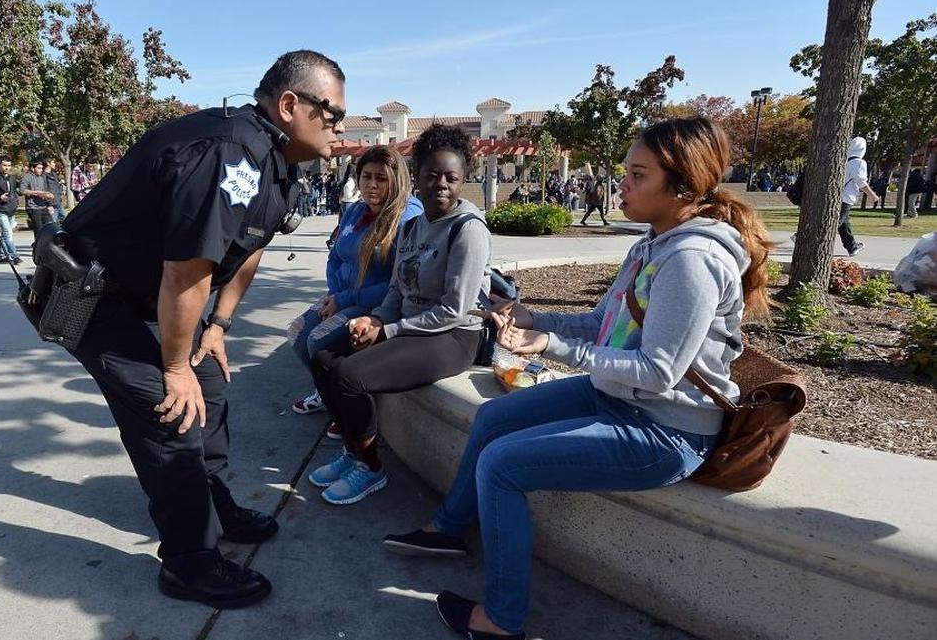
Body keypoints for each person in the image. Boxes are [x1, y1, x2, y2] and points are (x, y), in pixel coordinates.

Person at [383, 116, 774, 640]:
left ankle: (499, 621)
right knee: (495, 417)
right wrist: (532, 317)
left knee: (502, 466)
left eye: (638, 175)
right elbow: (601, 325)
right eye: (626, 172)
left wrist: (555, 346)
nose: (622, 186)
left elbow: (659, 372)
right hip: (617, 399)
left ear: (680, 185)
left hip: (665, 430)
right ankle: (448, 530)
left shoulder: (692, 259)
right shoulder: (652, 245)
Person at [58, 50, 346, 608]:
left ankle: (213, 506)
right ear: (290, 105)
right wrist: (171, 366)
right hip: (93, 298)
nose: (337, 127)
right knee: (171, 414)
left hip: (151, 295)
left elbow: (248, 249)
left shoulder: (279, 162)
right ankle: (188, 562)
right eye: (331, 114)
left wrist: (217, 326)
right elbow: (187, 267)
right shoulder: (231, 152)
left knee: (208, 385)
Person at [307, 123, 491, 505]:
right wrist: (375, 319)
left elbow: (455, 309)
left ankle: (370, 467)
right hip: (408, 326)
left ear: (462, 181)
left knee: (350, 376)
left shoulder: (468, 230)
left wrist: (389, 331)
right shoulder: (411, 227)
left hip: (452, 336)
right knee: (324, 356)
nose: (440, 184)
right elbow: (395, 289)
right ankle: (353, 451)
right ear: (417, 178)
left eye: (451, 177)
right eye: (432, 175)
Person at [289, 146, 423, 422]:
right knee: (297, 334)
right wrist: (334, 296)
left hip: (378, 304)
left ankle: (349, 411)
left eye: (381, 178)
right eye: (366, 176)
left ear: (397, 180)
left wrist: (344, 301)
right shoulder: (356, 211)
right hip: (342, 296)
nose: (372, 185)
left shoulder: (407, 218)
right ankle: (327, 394)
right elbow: (335, 256)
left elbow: (397, 282)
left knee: (318, 341)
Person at [839, 137, 878, 256]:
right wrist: (873, 196)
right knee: (838, 222)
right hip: (846, 197)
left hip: (839, 196)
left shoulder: (843, 160)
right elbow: (861, 182)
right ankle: (801, 236)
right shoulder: (859, 163)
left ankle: (852, 246)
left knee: (844, 223)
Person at [19, 159, 56, 233]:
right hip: (33, 208)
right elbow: (22, 190)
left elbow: (43, 192)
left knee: (50, 226)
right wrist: (35, 193)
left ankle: (47, 244)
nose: (41, 170)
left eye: (42, 168)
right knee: (39, 229)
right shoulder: (27, 177)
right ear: (33, 168)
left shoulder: (41, 178)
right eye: (39, 168)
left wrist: (48, 197)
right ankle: (38, 244)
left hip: (43, 206)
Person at [45, 158, 67, 223]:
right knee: (53, 223)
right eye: (53, 162)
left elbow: (57, 186)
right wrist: (49, 204)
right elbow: (45, 190)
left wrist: (61, 192)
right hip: (51, 205)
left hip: (58, 203)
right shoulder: (44, 176)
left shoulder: (54, 174)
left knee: (66, 219)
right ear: (48, 163)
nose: (55, 164)